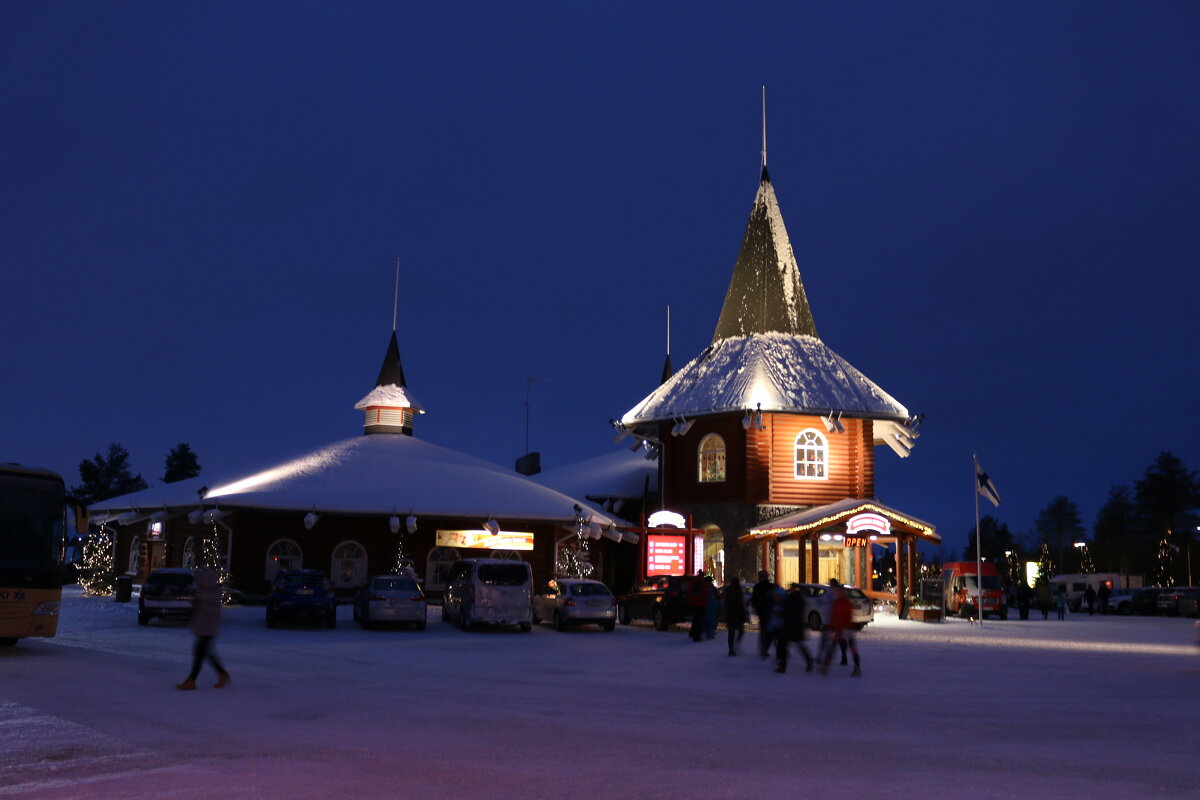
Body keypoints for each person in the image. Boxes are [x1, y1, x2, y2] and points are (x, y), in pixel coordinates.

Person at [176, 567, 231, 690]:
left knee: (199, 652)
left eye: (201, 582)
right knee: (205, 652)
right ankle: (222, 673)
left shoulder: (214, 592)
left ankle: (192, 680)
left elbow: (212, 609)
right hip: (203, 627)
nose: (199, 584)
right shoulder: (203, 591)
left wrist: (199, 602)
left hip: (209, 628)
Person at [820, 580, 860, 677]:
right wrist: (831, 627)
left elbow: (846, 617)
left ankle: (856, 667)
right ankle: (826, 666)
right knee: (836, 647)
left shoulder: (844, 603)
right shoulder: (837, 602)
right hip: (841, 629)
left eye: (838, 591)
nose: (836, 593)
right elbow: (834, 617)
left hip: (845, 629)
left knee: (847, 647)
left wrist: (837, 627)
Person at [774, 584, 814, 673]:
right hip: (794, 625)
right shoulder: (797, 598)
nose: (790, 589)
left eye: (792, 588)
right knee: (793, 644)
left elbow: (790, 611)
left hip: (792, 625)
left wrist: (781, 614)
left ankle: (783, 665)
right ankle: (807, 661)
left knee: (786, 645)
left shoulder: (793, 599)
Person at [750, 570, 775, 658]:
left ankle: (763, 649)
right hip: (770, 611)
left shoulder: (757, 587)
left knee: (763, 631)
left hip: (761, 611)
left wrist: (755, 607)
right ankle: (767, 649)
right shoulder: (771, 586)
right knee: (771, 631)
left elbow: (754, 599)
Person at [722, 576, 747, 656]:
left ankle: (731, 648)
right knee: (740, 630)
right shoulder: (739, 591)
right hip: (737, 613)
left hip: (730, 613)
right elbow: (740, 604)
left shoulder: (728, 590)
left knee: (731, 632)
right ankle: (735, 644)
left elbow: (725, 602)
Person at [687, 571, 711, 642]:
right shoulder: (700, 583)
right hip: (700, 603)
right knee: (698, 620)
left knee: (696, 619)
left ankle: (693, 633)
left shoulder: (695, 582)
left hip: (696, 603)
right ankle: (696, 636)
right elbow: (702, 593)